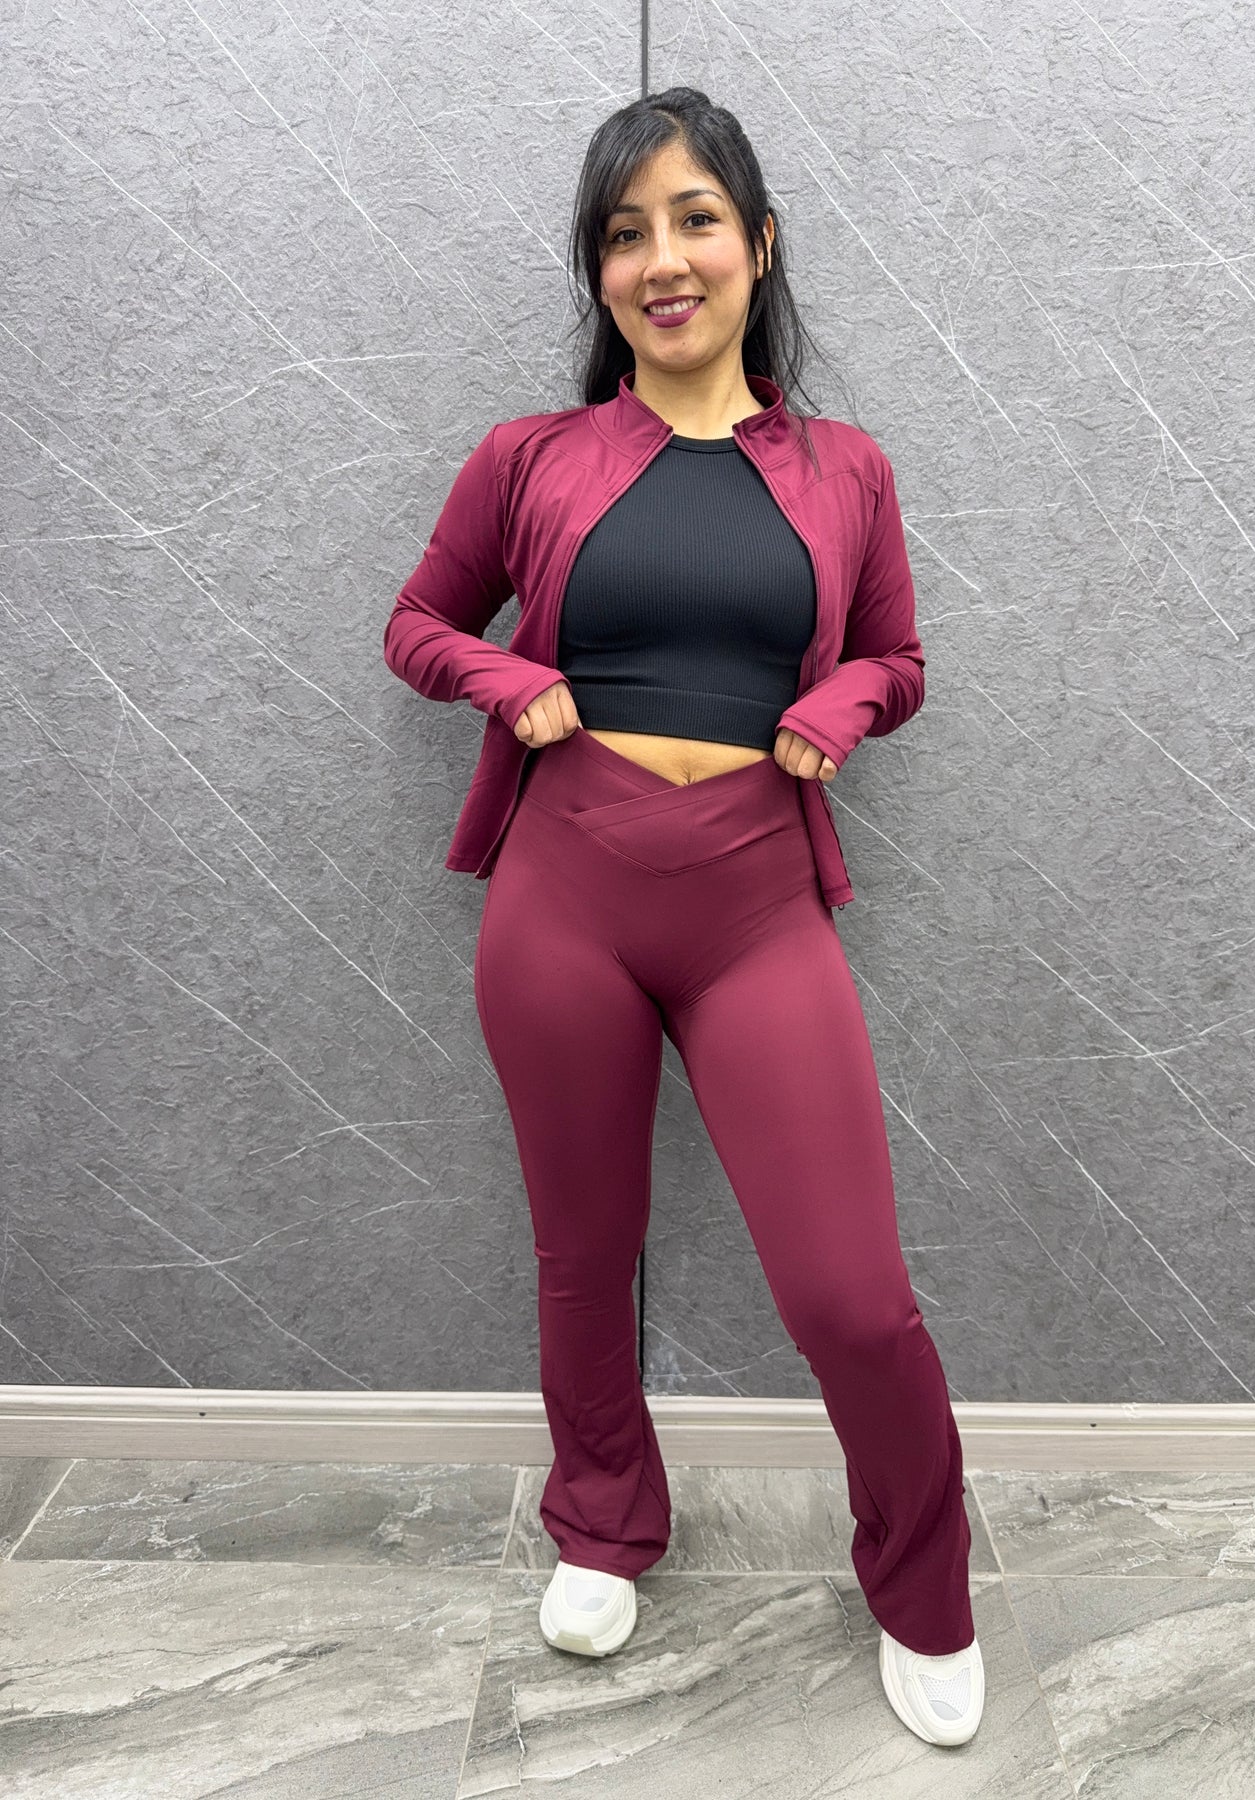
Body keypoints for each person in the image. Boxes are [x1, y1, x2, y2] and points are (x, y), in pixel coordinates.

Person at [382, 86, 984, 1751]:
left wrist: (843, 704)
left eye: (694, 220)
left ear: (757, 243)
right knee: (583, 1253)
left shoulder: (846, 469)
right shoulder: (530, 457)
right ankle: (600, 1522)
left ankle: (923, 1587)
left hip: (754, 903)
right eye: (624, 232)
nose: (662, 259)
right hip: (562, 892)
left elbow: (898, 659)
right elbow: (417, 621)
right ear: (599, 272)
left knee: (848, 1292)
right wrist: (502, 677)